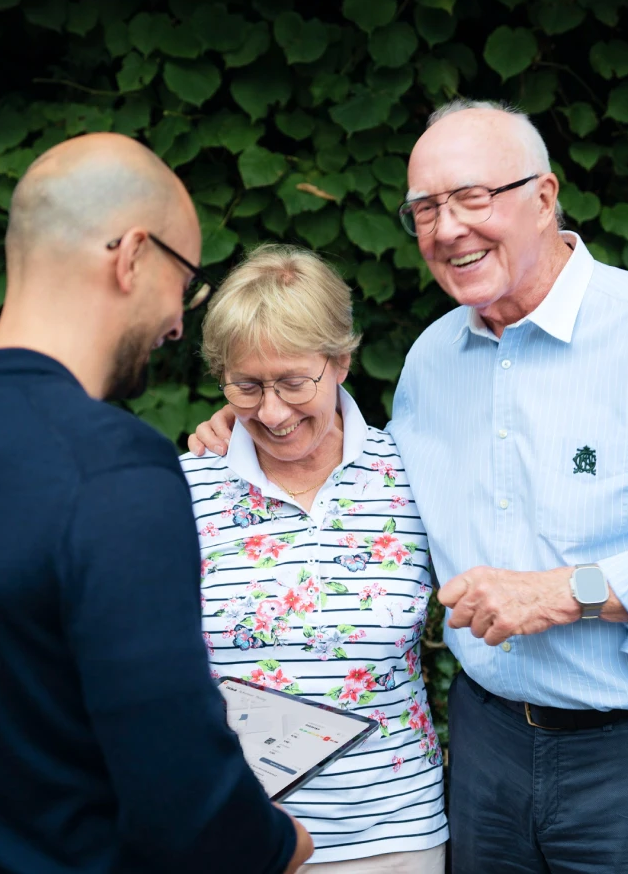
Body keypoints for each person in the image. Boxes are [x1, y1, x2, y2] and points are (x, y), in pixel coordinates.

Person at [190, 101, 628, 872]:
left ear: (545, 196)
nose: (447, 228)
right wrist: (255, 420)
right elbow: (358, 484)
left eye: (472, 197)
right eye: (426, 209)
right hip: (486, 755)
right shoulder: (432, 363)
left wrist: (569, 592)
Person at [0, 132, 313, 874]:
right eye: (185, 282)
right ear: (131, 256)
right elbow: (182, 792)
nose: (179, 322)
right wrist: (274, 845)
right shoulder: (112, 469)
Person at [182, 245, 448, 873]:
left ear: (341, 362)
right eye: (247, 386)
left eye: (294, 382)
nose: (272, 412)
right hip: (234, 837)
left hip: (392, 835)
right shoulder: (184, 488)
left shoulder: (413, 474)